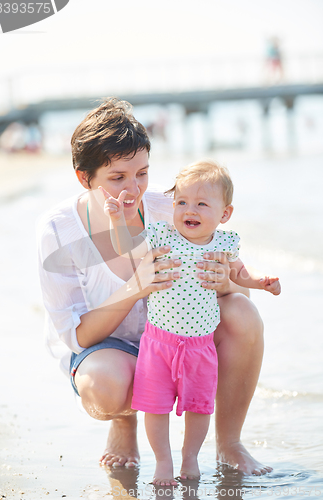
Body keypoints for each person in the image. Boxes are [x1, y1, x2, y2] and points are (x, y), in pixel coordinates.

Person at [37, 98, 273, 477]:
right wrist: (135, 287)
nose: (134, 190)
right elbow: (76, 337)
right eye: (118, 178)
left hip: (178, 335)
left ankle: (230, 444)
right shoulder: (57, 231)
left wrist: (225, 282)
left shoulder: (175, 205)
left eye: (142, 174)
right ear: (85, 178)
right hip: (107, 349)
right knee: (103, 386)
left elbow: (238, 292)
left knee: (245, 314)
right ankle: (124, 422)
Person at [103, 160, 281, 485]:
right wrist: (117, 220)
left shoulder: (223, 244)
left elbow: (240, 273)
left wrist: (262, 281)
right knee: (155, 407)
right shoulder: (161, 236)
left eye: (201, 203)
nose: (190, 209)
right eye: (182, 202)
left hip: (200, 346)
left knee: (199, 407)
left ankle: (190, 458)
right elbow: (125, 249)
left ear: (224, 214)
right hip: (159, 343)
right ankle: (162, 462)